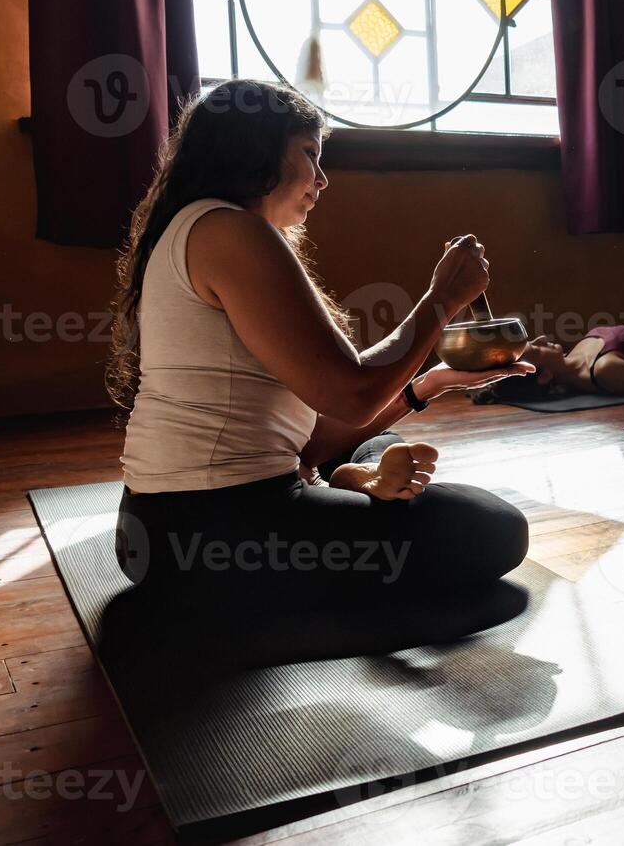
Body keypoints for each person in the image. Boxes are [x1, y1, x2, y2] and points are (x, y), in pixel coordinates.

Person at [107, 80, 534, 610]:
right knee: (494, 529)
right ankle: (356, 483)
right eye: (310, 154)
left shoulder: (204, 229)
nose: (323, 178)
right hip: (210, 535)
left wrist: (432, 382)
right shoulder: (230, 232)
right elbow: (351, 394)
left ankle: (359, 478)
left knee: (370, 445)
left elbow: (310, 437)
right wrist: (442, 298)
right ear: (255, 149)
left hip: (161, 533)